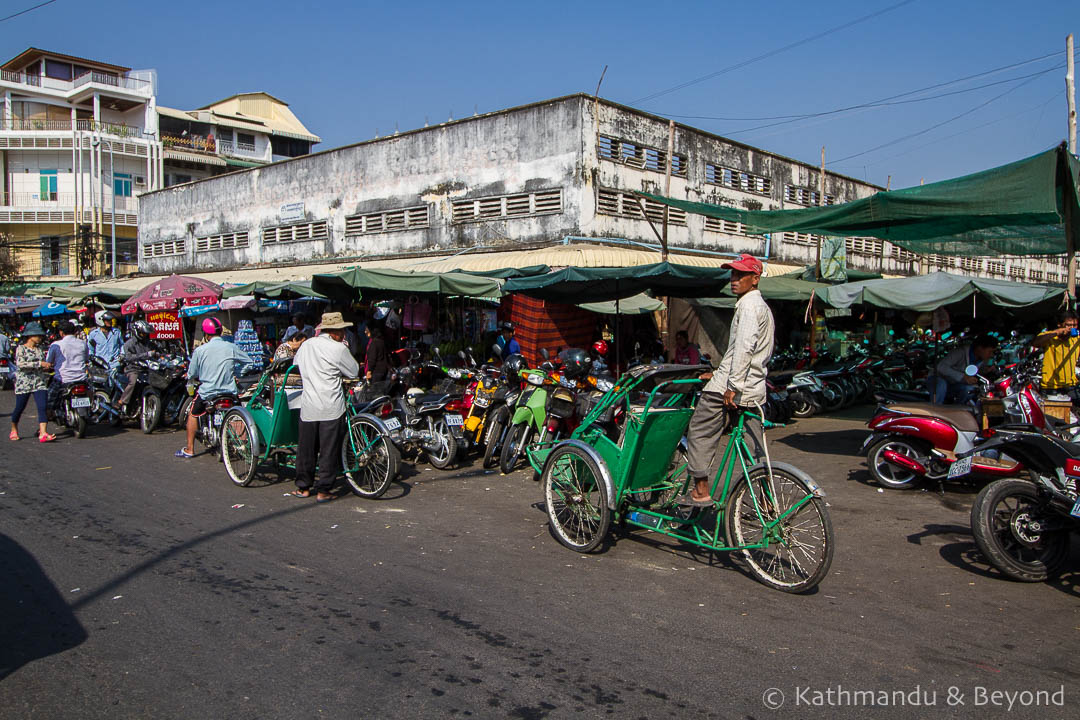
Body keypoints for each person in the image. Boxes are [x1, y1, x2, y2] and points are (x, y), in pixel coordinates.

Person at [681, 254, 774, 506]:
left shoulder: (748, 306)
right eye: (733, 274)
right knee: (755, 448)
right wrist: (720, 370)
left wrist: (731, 385)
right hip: (754, 390)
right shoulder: (761, 306)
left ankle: (700, 492)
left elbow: (744, 348)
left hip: (730, 389)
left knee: (698, 431)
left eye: (740, 275)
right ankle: (765, 501)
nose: (734, 279)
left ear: (755, 279)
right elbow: (746, 351)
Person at [289, 312, 360, 502]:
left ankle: (303, 487)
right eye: (343, 330)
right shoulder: (338, 349)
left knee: (306, 449)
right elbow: (353, 371)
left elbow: (297, 366)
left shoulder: (306, 345)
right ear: (335, 331)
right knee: (328, 450)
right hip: (331, 405)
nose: (344, 334)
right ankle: (323, 490)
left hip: (309, 405)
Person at [176, 317, 252, 458]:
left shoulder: (200, 350)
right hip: (229, 391)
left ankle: (189, 449)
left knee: (193, 415)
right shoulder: (231, 347)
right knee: (236, 414)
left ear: (206, 334)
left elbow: (192, 373)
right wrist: (237, 373)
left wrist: (192, 376)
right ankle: (241, 446)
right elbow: (249, 362)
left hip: (208, 393)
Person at [10, 321, 55, 442]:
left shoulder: (39, 349)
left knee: (42, 406)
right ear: (30, 336)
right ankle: (14, 428)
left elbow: (42, 362)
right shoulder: (21, 349)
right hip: (24, 383)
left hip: (39, 381)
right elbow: (21, 364)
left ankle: (43, 433)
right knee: (19, 408)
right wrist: (39, 364)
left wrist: (46, 366)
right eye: (38, 335)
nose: (40, 338)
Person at [927, 334, 998, 404]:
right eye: (989, 351)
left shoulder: (983, 359)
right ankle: (936, 409)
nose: (991, 355)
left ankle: (957, 409)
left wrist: (986, 370)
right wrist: (963, 377)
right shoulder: (960, 352)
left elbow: (978, 371)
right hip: (937, 380)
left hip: (954, 385)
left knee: (969, 390)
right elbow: (941, 367)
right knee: (941, 384)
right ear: (980, 348)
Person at [1032, 312, 1080, 400]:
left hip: (1070, 387)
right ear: (1059, 325)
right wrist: (1056, 332)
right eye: (1068, 325)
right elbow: (1036, 343)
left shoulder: (1076, 339)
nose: (1072, 328)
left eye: (1074, 325)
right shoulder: (1050, 337)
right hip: (1051, 388)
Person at [46, 321, 89, 414]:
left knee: (48, 401)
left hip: (63, 380)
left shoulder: (56, 345)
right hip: (81, 378)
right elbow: (86, 359)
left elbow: (49, 362)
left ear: (61, 332)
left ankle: (51, 415)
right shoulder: (82, 344)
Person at [117, 320, 156, 415]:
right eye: (143, 333)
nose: (145, 335)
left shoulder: (149, 343)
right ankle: (122, 401)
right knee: (133, 381)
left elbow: (157, 352)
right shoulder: (129, 344)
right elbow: (129, 357)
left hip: (147, 369)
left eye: (146, 334)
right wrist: (146, 354)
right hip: (133, 368)